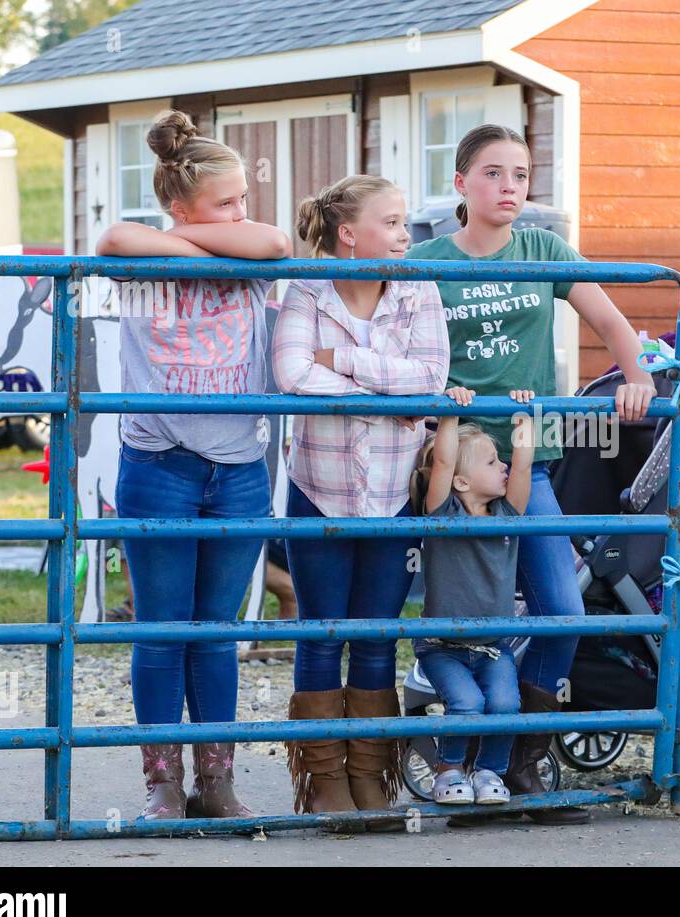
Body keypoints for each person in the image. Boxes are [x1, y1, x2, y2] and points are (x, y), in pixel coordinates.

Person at [406, 124, 656, 824]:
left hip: (528, 463)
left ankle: (516, 758)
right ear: (461, 185)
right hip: (451, 471)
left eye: (520, 173)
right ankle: (428, 751)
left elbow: (610, 319)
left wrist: (634, 377)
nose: (510, 185)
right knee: (430, 612)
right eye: (493, 173)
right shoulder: (425, 260)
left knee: (562, 608)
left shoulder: (543, 249)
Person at [95, 108, 292, 820]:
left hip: (238, 465)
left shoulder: (249, 247)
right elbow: (114, 237)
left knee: (215, 633)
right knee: (162, 628)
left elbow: (273, 239)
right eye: (226, 203)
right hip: (159, 462)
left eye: (243, 199)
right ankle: (162, 785)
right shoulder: (137, 249)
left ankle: (217, 780)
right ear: (180, 207)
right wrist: (203, 249)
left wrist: (197, 242)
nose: (243, 213)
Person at [273, 175, 448, 829]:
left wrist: (343, 360)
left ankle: (370, 776)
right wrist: (389, 395)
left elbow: (431, 380)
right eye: (394, 222)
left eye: (405, 223)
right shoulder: (306, 291)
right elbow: (292, 373)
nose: (406, 236)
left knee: (376, 634)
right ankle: (323, 781)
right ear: (350, 233)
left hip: (391, 495)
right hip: (319, 489)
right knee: (322, 631)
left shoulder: (418, 291)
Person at [409, 404, 535, 805]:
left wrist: (526, 422)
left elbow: (524, 470)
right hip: (443, 647)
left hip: (493, 646)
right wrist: (449, 415)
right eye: (491, 461)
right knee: (467, 703)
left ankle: (488, 773)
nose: (503, 467)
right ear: (461, 481)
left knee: (504, 704)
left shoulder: (507, 515)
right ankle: (447, 772)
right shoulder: (442, 515)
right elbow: (443, 461)